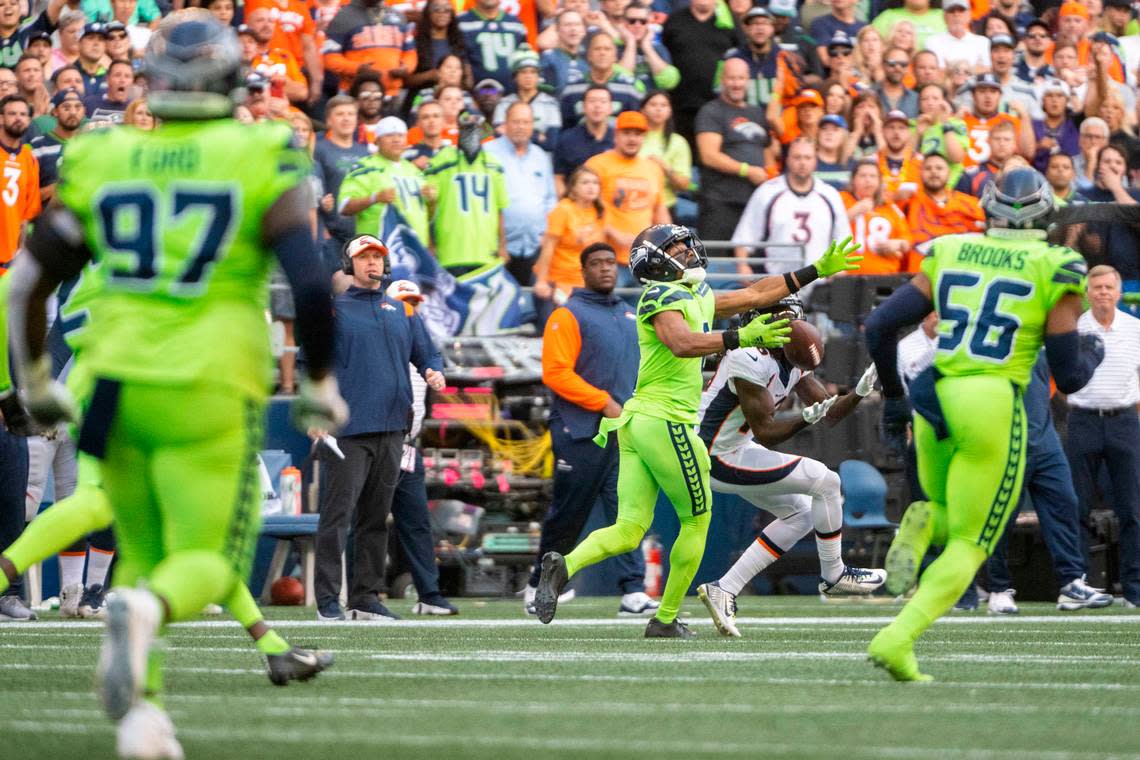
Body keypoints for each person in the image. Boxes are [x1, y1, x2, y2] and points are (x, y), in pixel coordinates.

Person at [6, 12, 346, 752]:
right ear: (231, 81)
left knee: (137, 547)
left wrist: (32, 380)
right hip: (208, 384)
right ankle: (148, 612)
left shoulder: (102, 154)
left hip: (112, 383)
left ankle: (144, 718)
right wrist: (319, 381)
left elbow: (26, 283)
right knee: (204, 562)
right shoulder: (260, 150)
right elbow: (314, 287)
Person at [533, 224, 863, 637]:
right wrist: (741, 335)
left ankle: (566, 564)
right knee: (697, 519)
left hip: (638, 423)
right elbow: (683, 343)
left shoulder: (692, 294)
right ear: (657, 260)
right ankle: (666, 619)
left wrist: (813, 270)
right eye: (676, 247)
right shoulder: (661, 295)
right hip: (666, 421)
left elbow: (756, 295)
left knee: (629, 528)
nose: (688, 251)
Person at [862, 167, 1103, 681]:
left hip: (934, 393)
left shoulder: (951, 248)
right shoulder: (1058, 263)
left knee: (948, 512)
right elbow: (1071, 376)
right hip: (991, 402)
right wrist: (1093, 353)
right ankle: (897, 638)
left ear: (988, 208)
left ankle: (921, 521)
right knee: (973, 543)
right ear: (1047, 214)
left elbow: (879, 325)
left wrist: (894, 400)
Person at [697, 300, 885, 638]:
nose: (792, 320)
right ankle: (834, 576)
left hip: (734, 448)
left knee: (801, 514)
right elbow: (768, 432)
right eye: (783, 315)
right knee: (826, 481)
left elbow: (827, 414)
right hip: (714, 455)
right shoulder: (747, 357)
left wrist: (857, 393)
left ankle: (724, 588)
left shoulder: (789, 356)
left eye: (793, 314)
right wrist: (803, 419)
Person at [313, 235, 443, 623]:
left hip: (392, 430)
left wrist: (433, 369)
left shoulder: (401, 310)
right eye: (364, 258)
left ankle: (365, 597)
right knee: (337, 518)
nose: (372, 264)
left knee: (375, 518)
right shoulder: (333, 312)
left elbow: (427, 352)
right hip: (347, 430)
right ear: (348, 265)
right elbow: (312, 365)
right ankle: (326, 601)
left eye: (377, 257)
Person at [526, 242, 660, 616]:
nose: (605, 269)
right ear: (581, 270)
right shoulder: (567, 314)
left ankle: (633, 591)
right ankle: (539, 582)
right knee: (568, 515)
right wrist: (602, 401)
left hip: (625, 432)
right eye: (596, 263)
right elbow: (555, 373)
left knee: (628, 513)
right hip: (580, 430)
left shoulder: (630, 314)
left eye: (610, 263)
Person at [985, 351, 1115, 614]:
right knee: (1001, 517)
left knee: (1065, 504)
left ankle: (1071, 583)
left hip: (1045, 438)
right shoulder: (990, 339)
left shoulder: (1044, 339)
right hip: (1006, 439)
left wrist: (1087, 357)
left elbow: (1066, 381)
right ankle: (998, 589)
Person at [1064, 265, 1140, 610]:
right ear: (1087, 293)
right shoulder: (1073, 330)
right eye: (1097, 288)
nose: (1104, 293)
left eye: (1109, 287)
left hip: (1124, 421)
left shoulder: (1136, 329)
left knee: (1132, 509)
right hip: (1083, 421)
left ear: (1119, 292)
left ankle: (1134, 589)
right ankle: (1077, 584)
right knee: (1076, 506)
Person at [383, 279, 460, 616]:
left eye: (414, 302)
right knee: (366, 521)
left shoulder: (418, 340)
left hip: (408, 445)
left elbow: (431, 359)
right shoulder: (382, 337)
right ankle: (358, 593)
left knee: (416, 521)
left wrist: (435, 371)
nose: (410, 308)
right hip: (378, 441)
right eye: (404, 301)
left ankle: (429, 594)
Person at [732, 137, 850, 276]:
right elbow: (745, 235)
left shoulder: (830, 195)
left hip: (820, 283)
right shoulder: (767, 192)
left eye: (807, 157)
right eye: (797, 157)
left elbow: (843, 240)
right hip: (776, 281)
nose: (802, 163)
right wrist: (742, 267)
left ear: (815, 161)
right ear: (787, 160)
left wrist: (838, 272)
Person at [424, 112, 510, 274]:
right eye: (466, 125)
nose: (471, 131)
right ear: (459, 128)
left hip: (486, 255)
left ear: (483, 129)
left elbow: (499, 210)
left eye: (475, 125)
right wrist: (430, 244)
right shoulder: (442, 160)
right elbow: (428, 208)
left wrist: (503, 246)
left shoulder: (493, 164)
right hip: (450, 254)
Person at [694, 57, 769, 242]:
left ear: (748, 80)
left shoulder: (757, 113)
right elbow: (709, 156)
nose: (736, 84)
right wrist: (747, 170)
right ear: (722, 80)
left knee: (752, 266)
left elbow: (767, 150)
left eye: (741, 78)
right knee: (715, 264)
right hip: (720, 202)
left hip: (753, 203)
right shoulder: (711, 111)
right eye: (731, 78)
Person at [584, 110, 668, 274]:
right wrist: (613, 232)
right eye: (627, 133)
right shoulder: (596, 165)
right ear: (616, 135)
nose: (632, 139)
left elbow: (660, 210)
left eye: (637, 134)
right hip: (606, 259)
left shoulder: (653, 169)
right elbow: (583, 210)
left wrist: (666, 241)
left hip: (645, 260)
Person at [485, 101, 557, 285]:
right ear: (505, 124)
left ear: (532, 125)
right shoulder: (487, 153)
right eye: (516, 122)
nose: (521, 127)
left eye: (526, 122)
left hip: (535, 246)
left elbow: (550, 199)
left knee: (532, 308)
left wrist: (546, 234)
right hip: (497, 247)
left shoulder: (540, 156)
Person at [339, 116, 433, 247]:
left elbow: (425, 216)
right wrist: (375, 198)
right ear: (377, 141)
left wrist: (432, 201)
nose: (396, 140)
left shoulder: (414, 171)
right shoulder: (365, 167)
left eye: (400, 135)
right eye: (389, 135)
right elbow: (343, 206)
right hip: (379, 250)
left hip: (416, 251)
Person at [661, 0, 741, 143]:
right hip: (679, 105)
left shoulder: (728, 21)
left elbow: (741, 56)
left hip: (718, 105)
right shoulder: (674, 20)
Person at [534, 165, 607, 310]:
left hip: (585, 283)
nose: (591, 187)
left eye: (595, 183)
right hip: (557, 282)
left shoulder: (599, 211)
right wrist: (541, 281)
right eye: (585, 183)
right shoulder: (563, 209)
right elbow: (548, 247)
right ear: (573, 188)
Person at [313, 95, 369, 268]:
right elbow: (312, 191)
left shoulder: (365, 153)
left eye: (350, 114)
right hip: (331, 234)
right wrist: (321, 229)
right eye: (340, 114)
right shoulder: (318, 150)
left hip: (359, 234)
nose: (346, 118)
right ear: (329, 120)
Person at [905, 151, 984, 269]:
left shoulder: (969, 203)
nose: (934, 171)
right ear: (920, 173)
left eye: (939, 168)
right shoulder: (909, 201)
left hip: (959, 270)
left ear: (949, 173)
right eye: (928, 168)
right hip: (919, 274)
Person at [323, 0, 416, 97]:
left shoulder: (399, 16)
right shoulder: (342, 17)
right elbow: (329, 58)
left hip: (392, 93)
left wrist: (406, 67)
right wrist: (356, 68)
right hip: (354, 94)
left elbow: (410, 52)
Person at [558, 31, 644, 126]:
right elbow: (565, 127)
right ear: (589, 55)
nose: (602, 53)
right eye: (597, 49)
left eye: (607, 49)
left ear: (615, 56)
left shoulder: (630, 88)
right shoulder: (572, 89)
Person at [842, 159, 913, 273]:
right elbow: (825, 228)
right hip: (847, 275)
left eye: (872, 176)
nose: (868, 180)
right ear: (853, 180)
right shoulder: (841, 199)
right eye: (863, 175)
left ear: (880, 182)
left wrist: (898, 244)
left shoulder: (890, 207)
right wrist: (854, 212)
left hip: (884, 275)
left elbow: (907, 241)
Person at [0, 95, 40, 272]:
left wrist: (21, 255)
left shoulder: (29, 159)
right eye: (12, 113)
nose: (18, 118)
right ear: (1, 118)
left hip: (10, 262)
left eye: (23, 114)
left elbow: (27, 215)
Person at [639, 90, 692, 224]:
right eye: (653, 104)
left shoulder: (678, 142)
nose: (658, 109)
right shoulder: (634, 138)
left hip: (666, 206)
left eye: (663, 105)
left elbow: (684, 184)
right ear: (643, 110)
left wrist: (665, 168)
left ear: (670, 111)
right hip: (634, 207)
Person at [961, 73, 1035, 168]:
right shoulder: (961, 121)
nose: (988, 96)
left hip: (1001, 178)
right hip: (966, 178)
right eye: (982, 91)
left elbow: (1028, 153)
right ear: (973, 95)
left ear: (1000, 95)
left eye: (993, 92)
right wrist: (953, 121)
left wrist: (1024, 117)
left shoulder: (1011, 122)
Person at [493, 50, 561, 150]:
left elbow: (551, 143)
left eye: (533, 72)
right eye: (523, 72)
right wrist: (537, 136)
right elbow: (499, 136)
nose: (528, 76)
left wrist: (515, 132)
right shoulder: (503, 104)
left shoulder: (551, 104)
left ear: (539, 77)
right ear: (515, 76)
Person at [552, 84, 613, 193]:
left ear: (610, 108)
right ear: (583, 107)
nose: (597, 106)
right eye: (592, 101)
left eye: (603, 102)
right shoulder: (567, 140)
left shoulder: (618, 140)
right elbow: (558, 178)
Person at [28, 88, 84, 205]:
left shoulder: (90, 146)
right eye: (66, 107)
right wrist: (58, 187)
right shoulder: (37, 147)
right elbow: (25, 197)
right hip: (45, 220)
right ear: (55, 112)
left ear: (84, 111)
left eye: (78, 107)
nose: (73, 112)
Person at [457, 0, 528, 91]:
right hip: (478, 96)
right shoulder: (461, 22)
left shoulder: (515, 23)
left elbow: (524, 59)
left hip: (512, 94)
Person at [616, 1, 678, 93]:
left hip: (652, 102)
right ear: (623, 22)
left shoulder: (658, 48)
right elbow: (620, 80)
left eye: (643, 21)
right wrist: (631, 43)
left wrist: (647, 47)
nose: (637, 25)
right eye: (632, 21)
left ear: (649, 23)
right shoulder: (613, 47)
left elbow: (669, 82)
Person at [955, 118, 1017, 197]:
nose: (1002, 143)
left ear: (1014, 144)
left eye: (1007, 139)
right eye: (997, 139)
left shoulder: (1024, 174)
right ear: (988, 141)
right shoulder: (970, 175)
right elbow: (961, 205)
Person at [924, 0, 989, 70]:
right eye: (951, 11)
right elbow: (938, 73)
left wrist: (950, 69)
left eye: (961, 11)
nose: (956, 15)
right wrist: (972, 69)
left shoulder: (983, 42)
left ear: (969, 15)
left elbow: (986, 70)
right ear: (944, 16)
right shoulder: (933, 41)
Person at [1032, 79, 1080, 173]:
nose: (1054, 100)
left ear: (1067, 101)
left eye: (1059, 96)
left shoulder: (1076, 124)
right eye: (1049, 96)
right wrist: (1038, 146)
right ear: (1043, 100)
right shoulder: (1032, 125)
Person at [877, 108, 922, 204]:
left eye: (901, 128)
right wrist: (894, 197)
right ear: (883, 131)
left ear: (909, 132)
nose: (896, 132)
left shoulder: (922, 163)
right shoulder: (871, 162)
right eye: (891, 127)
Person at [539, 9, 587, 94]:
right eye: (567, 25)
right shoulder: (548, 59)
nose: (573, 29)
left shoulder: (590, 59)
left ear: (584, 30)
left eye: (577, 24)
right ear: (557, 30)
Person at [82, 57, 132, 123]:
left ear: (132, 81)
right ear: (108, 79)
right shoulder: (89, 104)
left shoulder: (136, 108)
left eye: (127, 76)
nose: (122, 80)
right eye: (117, 75)